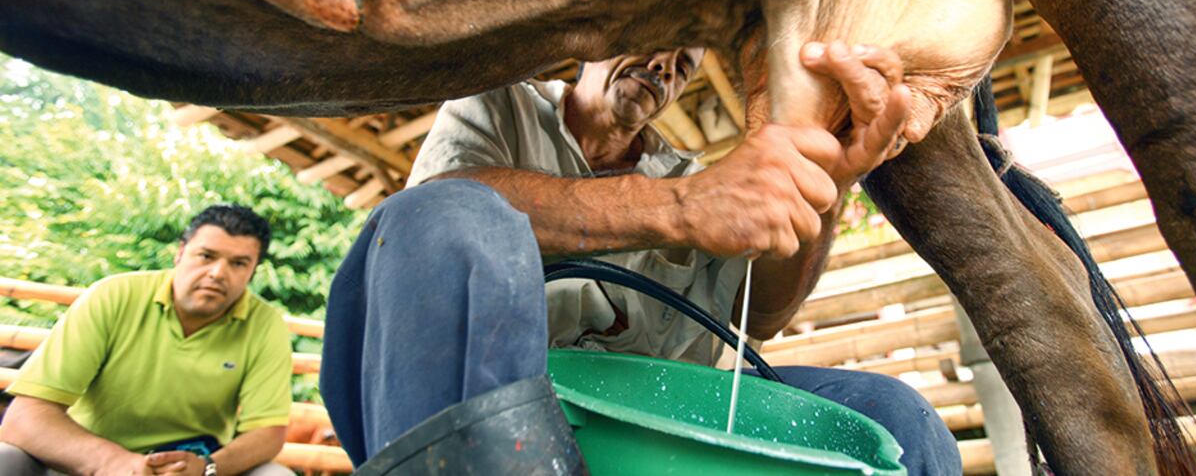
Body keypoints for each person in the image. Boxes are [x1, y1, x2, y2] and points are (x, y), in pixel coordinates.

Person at [321, 42, 961, 474]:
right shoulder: (501, 106)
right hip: (506, 397)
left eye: (682, 63)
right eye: (652, 39)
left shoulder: (699, 175)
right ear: (592, 44)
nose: (662, 65)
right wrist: (679, 206)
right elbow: (439, 216)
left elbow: (764, 314)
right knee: (441, 215)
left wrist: (827, 180)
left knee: (894, 417)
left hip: (659, 424)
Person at [0, 205, 295, 476]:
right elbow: (24, 418)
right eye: (206, 256)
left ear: (253, 271)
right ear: (180, 253)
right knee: (5, 458)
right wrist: (113, 462)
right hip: (86, 461)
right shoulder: (112, 296)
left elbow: (267, 432)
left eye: (239, 263)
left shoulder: (266, 325)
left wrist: (207, 468)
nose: (218, 273)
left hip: (190, 465)